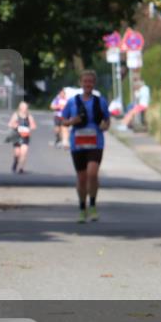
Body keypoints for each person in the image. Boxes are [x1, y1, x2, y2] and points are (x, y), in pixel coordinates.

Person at [61, 71, 110, 223]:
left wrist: (104, 126)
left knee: (92, 173)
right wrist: (71, 121)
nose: (88, 84)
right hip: (78, 143)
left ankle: (93, 205)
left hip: (96, 142)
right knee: (82, 178)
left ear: (94, 83)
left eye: (90, 81)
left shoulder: (100, 101)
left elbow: (107, 121)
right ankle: (83, 208)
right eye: (85, 81)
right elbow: (63, 120)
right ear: (80, 83)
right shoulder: (72, 102)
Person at [8, 101, 37, 173]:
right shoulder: (16, 115)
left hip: (25, 136)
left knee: (24, 153)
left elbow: (33, 125)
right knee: (17, 153)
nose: (24, 109)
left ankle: (21, 168)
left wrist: (31, 127)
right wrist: (15, 126)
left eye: (25, 107)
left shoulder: (29, 116)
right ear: (20, 108)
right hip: (17, 136)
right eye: (23, 107)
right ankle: (15, 162)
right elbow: (10, 124)